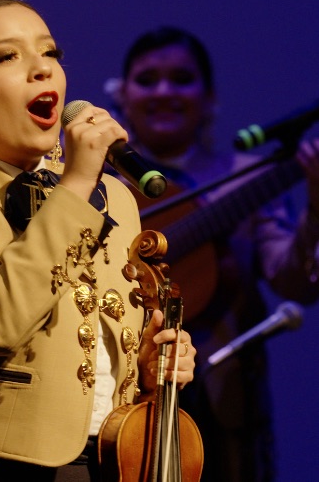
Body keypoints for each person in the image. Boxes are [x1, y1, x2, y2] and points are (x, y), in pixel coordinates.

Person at [0, 0, 198, 481]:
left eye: (49, 53)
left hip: (112, 461)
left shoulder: (113, 195)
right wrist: (75, 185)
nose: (40, 70)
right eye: (6, 57)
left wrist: (151, 363)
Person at [108, 26, 319, 482]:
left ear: (208, 97)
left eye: (182, 78)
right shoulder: (103, 186)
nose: (164, 91)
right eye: (147, 80)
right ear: (122, 95)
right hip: (121, 400)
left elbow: (292, 280)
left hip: (225, 400)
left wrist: (316, 211)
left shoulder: (247, 176)